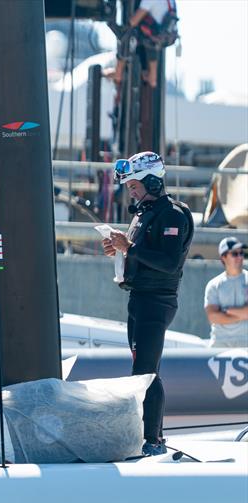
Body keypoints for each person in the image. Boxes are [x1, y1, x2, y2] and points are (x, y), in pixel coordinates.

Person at [101, 151, 193, 456]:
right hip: (139, 299)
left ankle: (152, 440)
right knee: (144, 370)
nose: (131, 190)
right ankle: (151, 437)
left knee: (144, 372)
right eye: (129, 186)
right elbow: (139, 253)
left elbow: (168, 263)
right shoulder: (143, 213)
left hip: (157, 302)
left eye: (135, 185)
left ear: (152, 181)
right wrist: (119, 251)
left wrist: (129, 247)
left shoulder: (173, 215)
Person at [112, 0, 178, 89]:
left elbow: (133, 21)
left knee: (126, 34)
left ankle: (118, 73)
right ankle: (151, 76)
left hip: (152, 37)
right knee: (147, 41)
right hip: (164, 38)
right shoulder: (171, 1)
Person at [204, 237, 248, 348]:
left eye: (241, 253)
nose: (240, 257)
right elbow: (213, 317)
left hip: (245, 342)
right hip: (219, 343)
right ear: (223, 257)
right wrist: (242, 314)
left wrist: (226, 311)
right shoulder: (214, 285)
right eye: (234, 254)